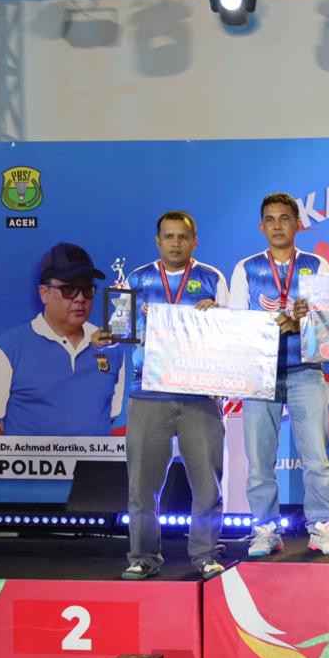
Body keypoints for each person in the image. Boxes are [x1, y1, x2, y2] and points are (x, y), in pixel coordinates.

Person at [229, 193, 329, 558]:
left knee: (316, 457)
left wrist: (304, 321)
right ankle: (265, 529)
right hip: (259, 374)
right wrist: (270, 325)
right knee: (260, 461)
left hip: (306, 369)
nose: (277, 225)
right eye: (270, 219)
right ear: (261, 226)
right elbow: (235, 323)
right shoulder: (246, 269)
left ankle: (321, 527)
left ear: (298, 224)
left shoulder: (317, 265)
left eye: (284, 218)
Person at [119, 211, 229, 581]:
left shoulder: (212, 279)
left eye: (183, 236)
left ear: (194, 241)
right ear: (158, 241)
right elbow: (120, 331)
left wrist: (219, 315)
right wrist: (106, 337)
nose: (176, 243)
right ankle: (142, 556)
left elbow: (231, 334)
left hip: (200, 397)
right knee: (142, 486)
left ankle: (206, 554)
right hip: (148, 395)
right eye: (169, 236)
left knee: (207, 485)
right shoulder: (137, 279)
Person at [0, 242, 126, 436]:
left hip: (96, 457)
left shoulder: (112, 349)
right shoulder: (5, 352)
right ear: (44, 293)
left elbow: (109, 415)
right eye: (69, 289)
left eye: (87, 289)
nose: (80, 298)